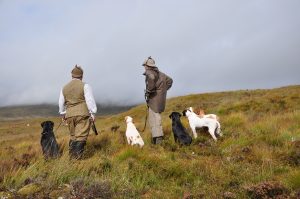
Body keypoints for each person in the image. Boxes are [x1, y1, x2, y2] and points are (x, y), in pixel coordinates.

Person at [59, 65, 97, 159]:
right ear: (82, 76)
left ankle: (71, 159)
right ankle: (77, 160)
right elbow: (90, 100)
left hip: (69, 115)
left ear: (72, 75)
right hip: (82, 114)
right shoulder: (85, 86)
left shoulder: (64, 87)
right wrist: (92, 113)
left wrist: (63, 113)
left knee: (73, 137)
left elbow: (61, 102)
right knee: (81, 137)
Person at [142, 56, 173, 144]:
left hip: (154, 101)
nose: (144, 67)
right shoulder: (161, 74)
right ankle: (156, 138)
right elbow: (170, 81)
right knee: (155, 119)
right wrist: (162, 91)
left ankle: (158, 140)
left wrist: (149, 91)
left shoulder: (149, 73)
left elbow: (151, 80)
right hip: (160, 100)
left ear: (147, 65)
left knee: (155, 119)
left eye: (144, 65)